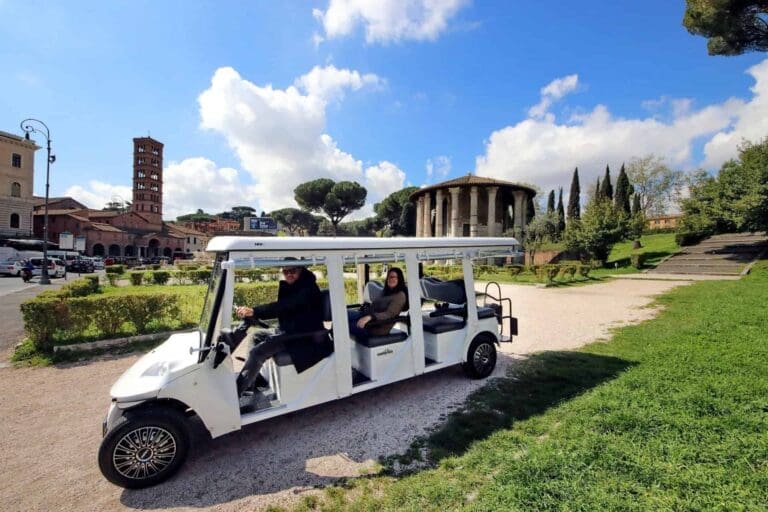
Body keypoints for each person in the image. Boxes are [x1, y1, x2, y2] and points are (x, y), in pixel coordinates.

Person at [235, 262, 332, 398]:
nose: (289, 274)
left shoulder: (308, 288)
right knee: (256, 336)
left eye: (292, 270)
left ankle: (236, 393)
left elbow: (283, 306)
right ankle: (252, 380)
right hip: (291, 330)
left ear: (300, 269)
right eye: (285, 272)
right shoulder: (295, 286)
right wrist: (254, 313)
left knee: (257, 352)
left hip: (305, 335)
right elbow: (285, 309)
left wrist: (254, 311)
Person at [348, 267, 408, 340]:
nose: (390, 279)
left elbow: (389, 314)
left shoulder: (400, 295)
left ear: (399, 279)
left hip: (375, 327)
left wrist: (370, 317)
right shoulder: (386, 292)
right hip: (366, 316)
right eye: (388, 277)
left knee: (343, 325)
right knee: (342, 316)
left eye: (393, 277)